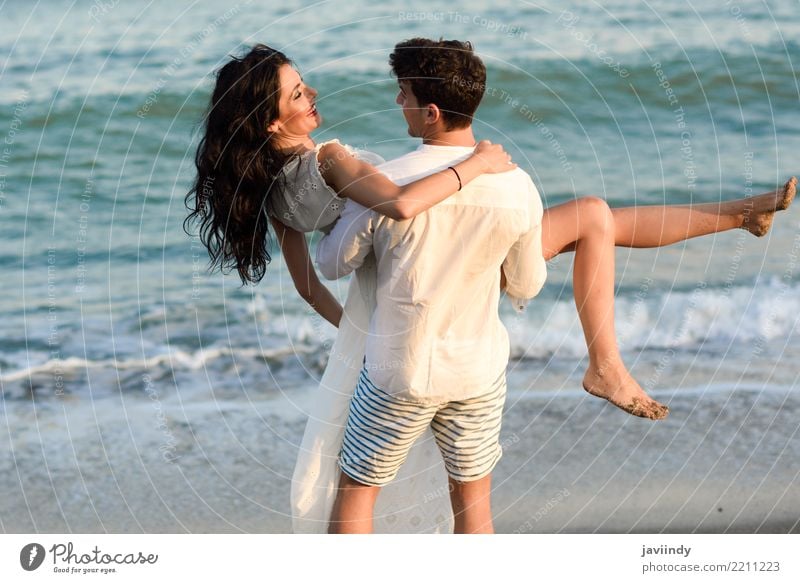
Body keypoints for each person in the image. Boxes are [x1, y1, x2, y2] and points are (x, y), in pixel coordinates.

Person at [183, 42, 796, 533]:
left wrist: (359, 329)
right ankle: (608, 361)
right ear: (270, 119)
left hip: (405, 281)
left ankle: (742, 212)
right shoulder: (330, 158)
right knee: (594, 216)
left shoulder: (274, 192)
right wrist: (472, 166)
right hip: (446, 250)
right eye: (297, 92)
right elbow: (396, 201)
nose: (312, 94)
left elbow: (310, 283)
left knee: (597, 217)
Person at [317, 40, 548, 533]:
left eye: (403, 94)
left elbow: (334, 264)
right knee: (473, 509)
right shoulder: (519, 186)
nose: (399, 103)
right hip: (476, 372)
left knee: (356, 496)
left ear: (432, 112)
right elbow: (526, 284)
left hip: (398, 371)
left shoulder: (386, 183)